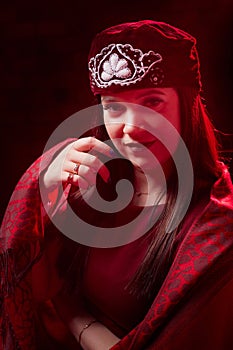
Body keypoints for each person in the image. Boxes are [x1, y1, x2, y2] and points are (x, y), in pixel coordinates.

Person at [1, 19, 233, 350]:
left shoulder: (216, 230)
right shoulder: (90, 190)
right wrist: (43, 190)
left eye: (153, 102)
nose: (132, 128)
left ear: (188, 105)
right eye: (114, 106)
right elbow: (30, 290)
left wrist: (75, 318)